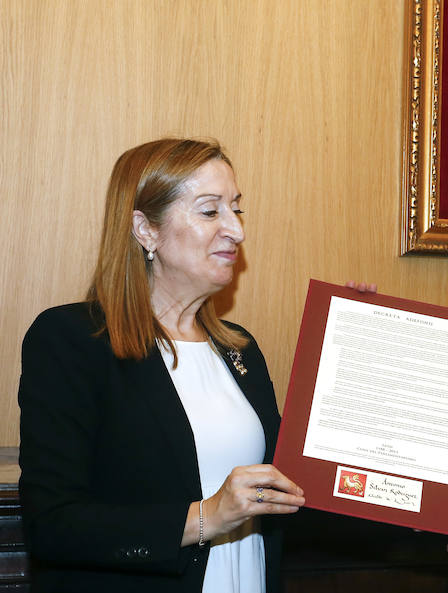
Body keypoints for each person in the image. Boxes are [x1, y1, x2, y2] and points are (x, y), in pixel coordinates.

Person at [17, 138, 307, 592]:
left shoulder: (241, 350)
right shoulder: (73, 340)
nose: (236, 230)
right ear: (145, 230)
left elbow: (296, 495)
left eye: (236, 209)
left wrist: (356, 339)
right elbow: (54, 526)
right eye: (210, 211)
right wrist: (208, 516)